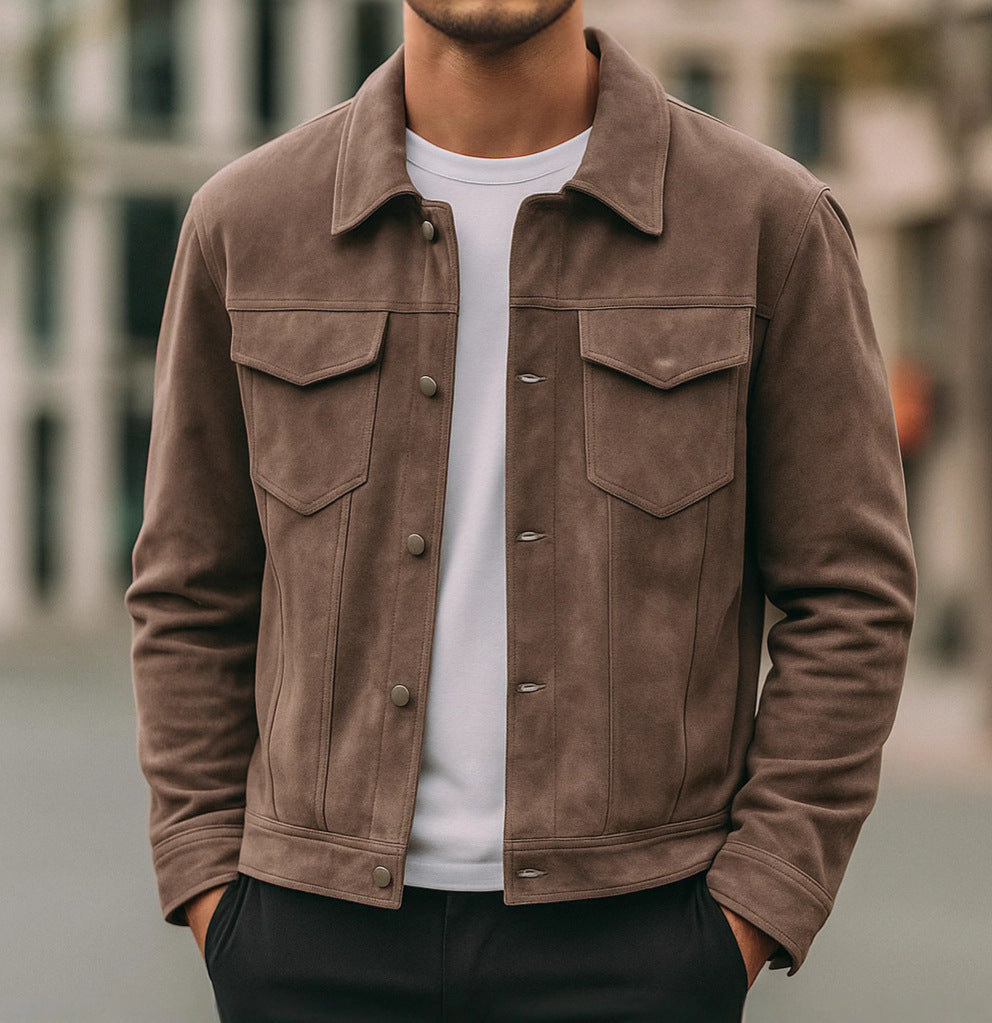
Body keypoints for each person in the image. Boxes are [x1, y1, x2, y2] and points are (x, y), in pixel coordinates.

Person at [124, 2, 917, 1020]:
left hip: (636, 940)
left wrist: (751, 910)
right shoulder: (246, 225)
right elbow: (189, 590)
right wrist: (210, 888)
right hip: (305, 940)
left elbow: (850, 594)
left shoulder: (766, 223)